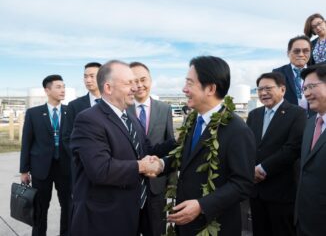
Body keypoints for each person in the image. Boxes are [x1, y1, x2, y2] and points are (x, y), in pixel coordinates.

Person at [69, 60, 175, 236]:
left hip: (131, 213)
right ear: (108, 88)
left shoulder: (130, 118)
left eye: (135, 82)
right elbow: (100, 169)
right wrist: (142, 166)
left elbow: (146, 150)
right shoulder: (89, 120)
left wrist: (179, 142)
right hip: (103, 220)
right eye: (128, 83)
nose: (135, 88)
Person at [165, 56, 256, 236]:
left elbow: (242, 184)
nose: (184, 89)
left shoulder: (237, 130)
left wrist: (201, 206)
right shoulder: (193, 121)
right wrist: (159, 164)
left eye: (190, 83)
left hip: (217, 226)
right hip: (186, 223)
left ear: (211, 89)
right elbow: (184, 157)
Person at [247, 72, 306, 236]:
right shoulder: (254, 115)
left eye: (268, 88)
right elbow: (249, 146)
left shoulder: (297, 113)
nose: (263, 93)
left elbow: (292, 148)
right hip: (256, 191)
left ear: (282, 89)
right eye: (259, 89)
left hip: (282, 191)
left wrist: (262, 169)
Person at [20, 75, 71, 236]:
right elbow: (27, 143)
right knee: (40, 208)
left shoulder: (70, 111)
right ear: (47, 90)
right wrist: (24, 170)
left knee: (69, 206)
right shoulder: (33, 113)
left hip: (65, 167)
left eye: (63, 86)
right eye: (58, 87)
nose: (62, 90)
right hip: (41, 169)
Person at [127, 61, 174, 236]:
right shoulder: (123, 109)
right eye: (133, 81)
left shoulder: (164, 108)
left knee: (156, 231)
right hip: (128, 184)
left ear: (151, 80)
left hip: (156, 185)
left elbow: (170, 144)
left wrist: (169, 181)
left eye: (143, 79)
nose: (139, 85)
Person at [295, 64, 326, 236]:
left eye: (312, 87)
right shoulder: (310, 124)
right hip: (304, 221)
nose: (306, 93)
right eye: (304, 88)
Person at [62, 62, 101, 188]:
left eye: (92, 76)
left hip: (111, 167)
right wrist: (81, 158)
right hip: (82, 167)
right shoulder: (74, 106)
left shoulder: (114, 103)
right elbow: (67, 137)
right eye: (85, 76)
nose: (88, 80)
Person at [273, 35, 311, 111]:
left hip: (314, 120)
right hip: (289, 119)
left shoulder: (318, 72)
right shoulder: (277, 73)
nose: (301, 54)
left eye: (305, 51)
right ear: (288, 53)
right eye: (296, 51)